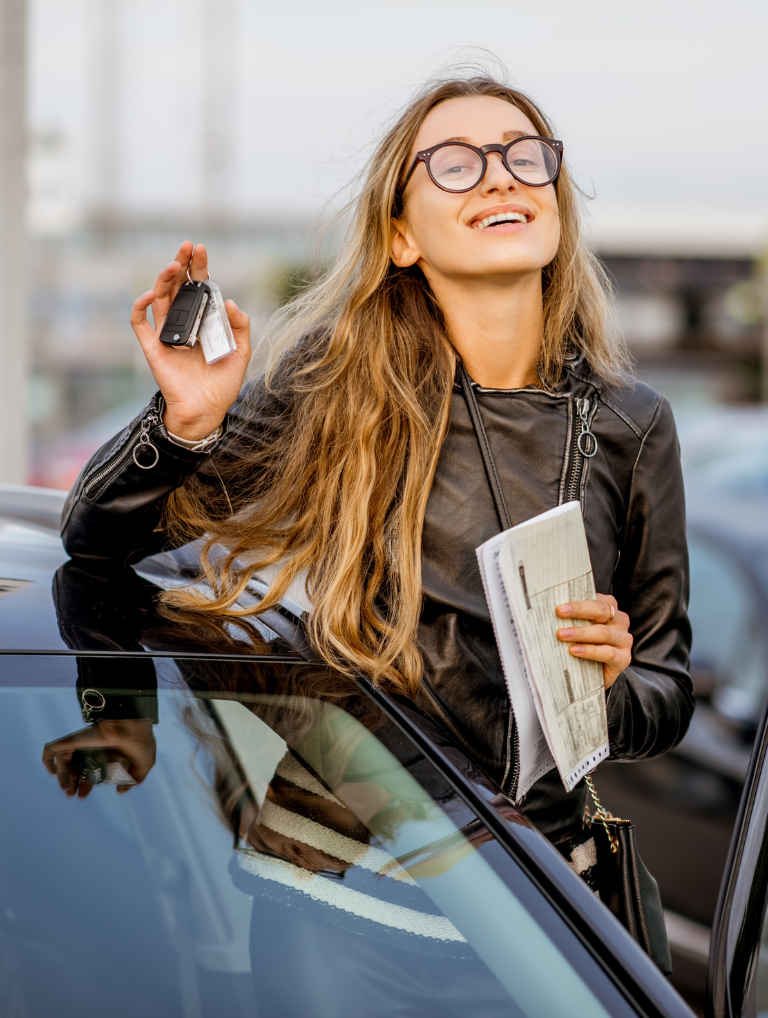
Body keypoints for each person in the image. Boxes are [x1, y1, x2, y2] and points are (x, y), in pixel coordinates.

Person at [60, 73, 693, 861]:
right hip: (334, 886)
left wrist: (604, 691)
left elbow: (665, 699)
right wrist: (187, 421)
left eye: (526, 156)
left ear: (555, 200)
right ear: (402, 237)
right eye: (457, 163)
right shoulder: (330, 389)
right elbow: (94, 544)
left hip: (532, 902)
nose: (501, 173)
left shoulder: (633, 424)